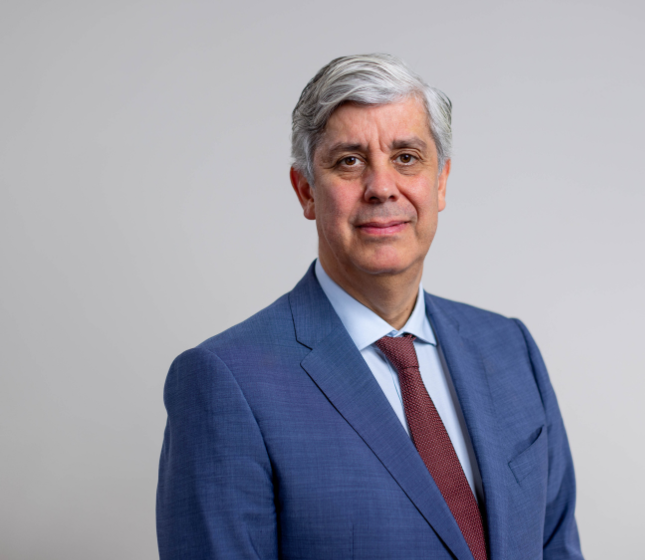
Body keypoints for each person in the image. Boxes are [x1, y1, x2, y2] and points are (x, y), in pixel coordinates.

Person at [156, 53, 584, 560]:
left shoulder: (511, 348)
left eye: (406, 157)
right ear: (305, 191)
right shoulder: (225, 383)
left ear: (440, 182)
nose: (382, 188)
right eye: (349, 161)